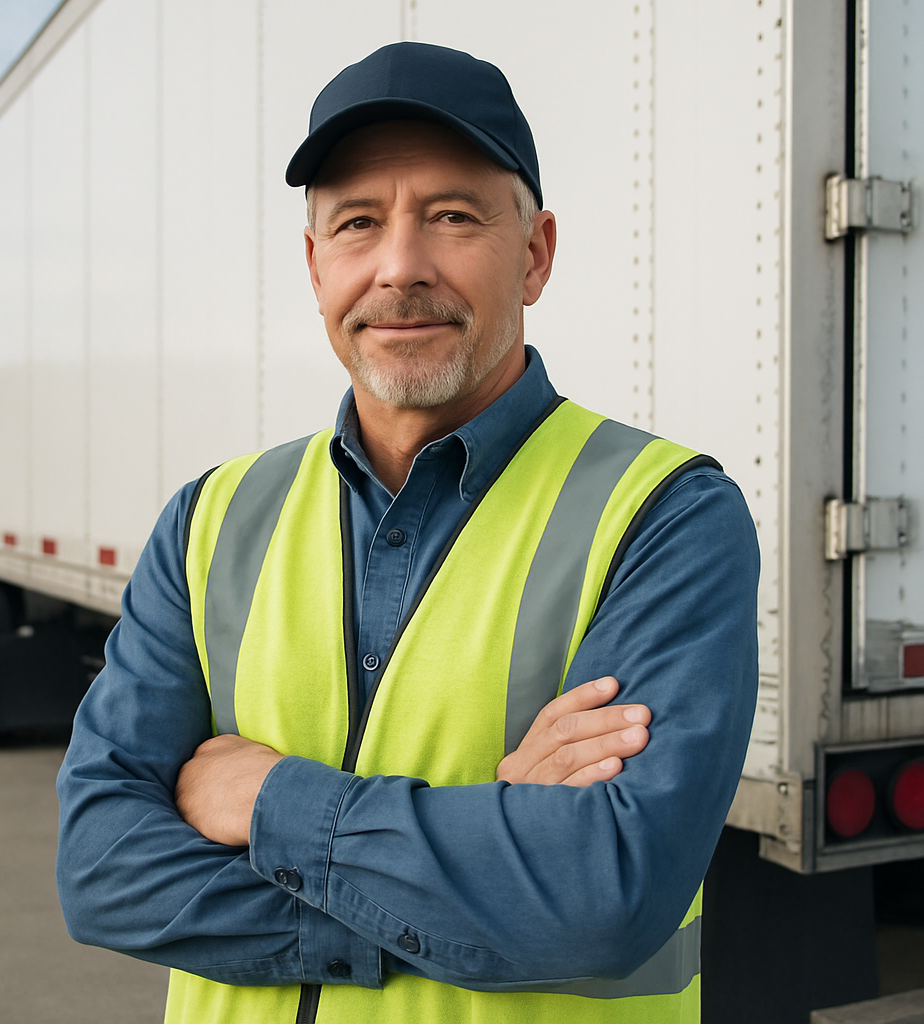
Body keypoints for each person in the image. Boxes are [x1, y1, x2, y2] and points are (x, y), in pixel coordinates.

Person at [56, 41, 759, 1024]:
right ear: (314, 267)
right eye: (356, 223)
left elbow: (600, 894)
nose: (399, 267)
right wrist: (473, 861)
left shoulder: (663, 514)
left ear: (536, 253)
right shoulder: (213, 519)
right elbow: (100, 863)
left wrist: (266, 802)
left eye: (453, 216)